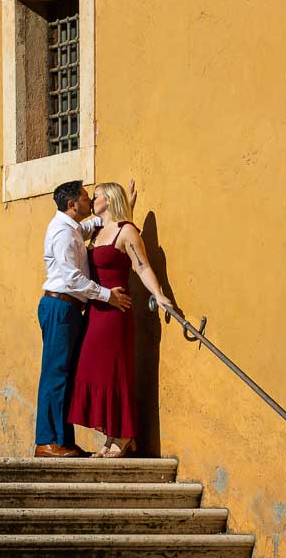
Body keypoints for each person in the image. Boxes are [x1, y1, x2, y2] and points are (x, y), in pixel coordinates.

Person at [67, 181, 172, 457]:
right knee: (96, 370)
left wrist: (159, 295)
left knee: (115, 370)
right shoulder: (98, 231)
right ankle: (113, 434)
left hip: (115, 313)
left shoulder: (127, 232)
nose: (92, 201)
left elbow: (142, 265)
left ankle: (123, 435)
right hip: (95, 310)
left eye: (97, 196)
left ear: (109, 200)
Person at [33, 179, 132, 458]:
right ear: (72, 204)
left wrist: (122, 213)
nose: (90, 202)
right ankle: (47, 441)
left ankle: (63, 440)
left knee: (66, 374)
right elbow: (71, 278)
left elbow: (92, 226)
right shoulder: (62, 233)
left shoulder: (72, 227)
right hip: (60, 306)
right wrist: (106, 295)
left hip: (70, 309)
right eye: (86, 198)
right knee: (55, 373)